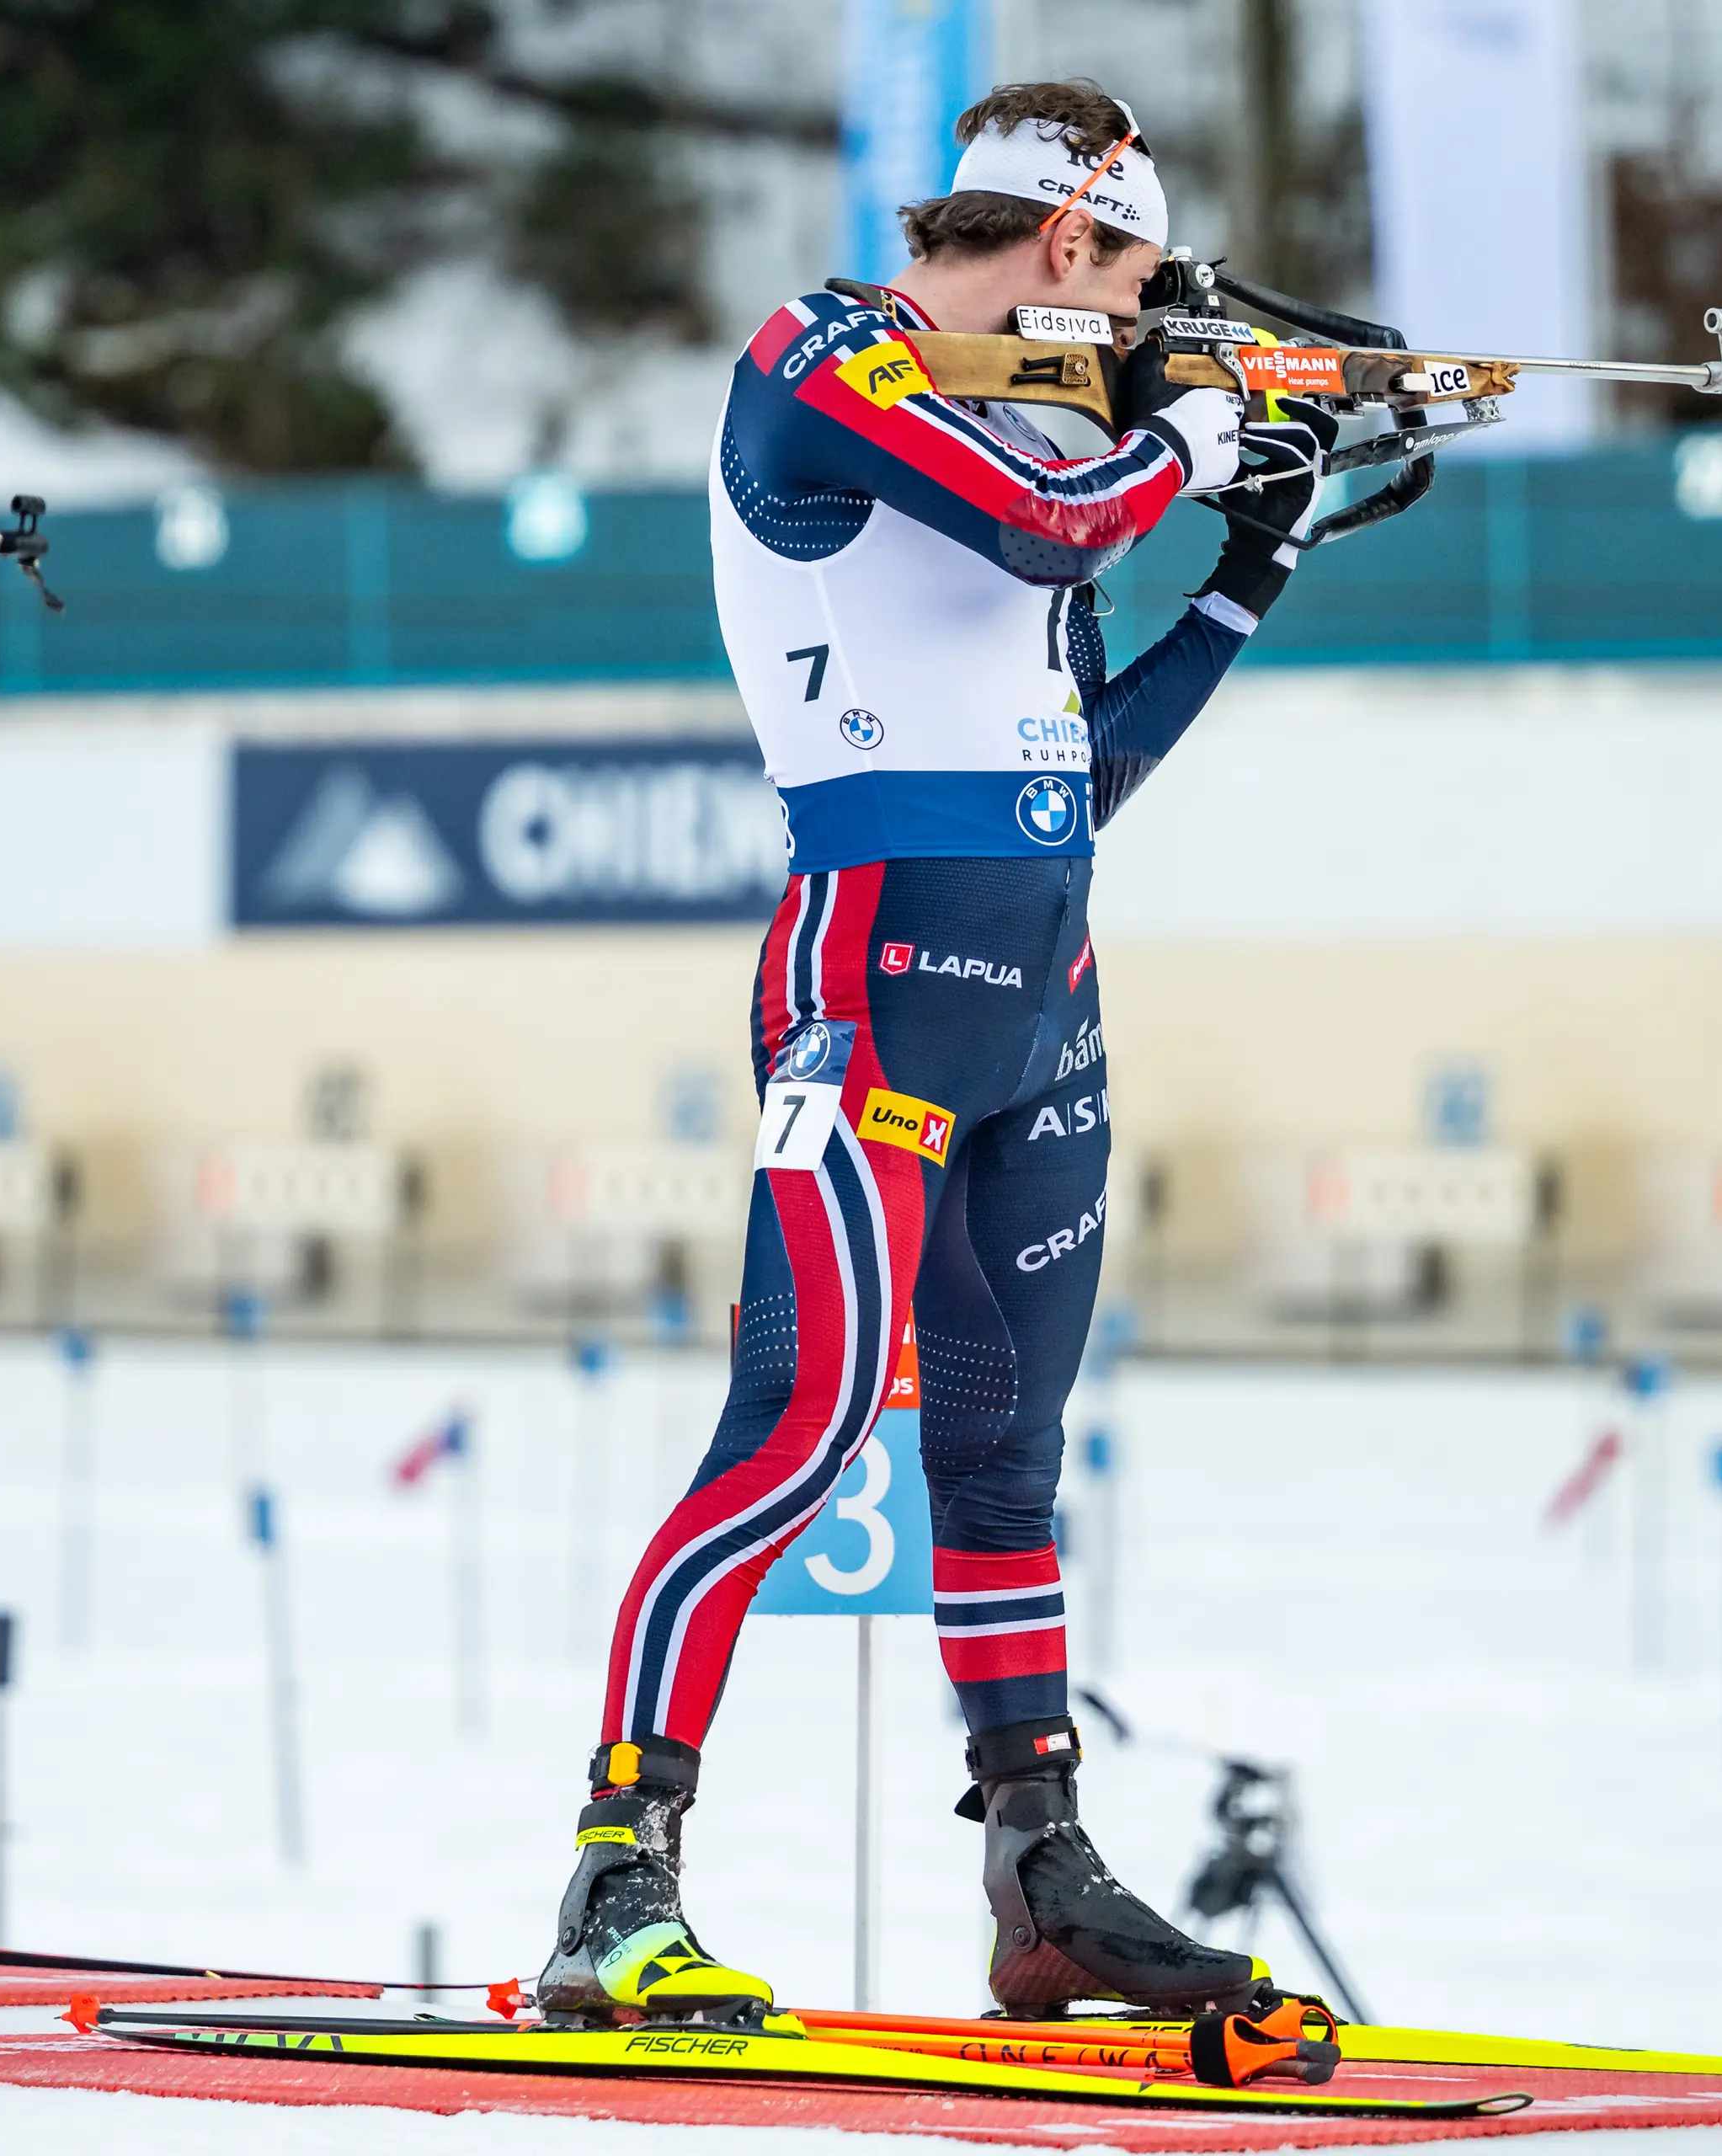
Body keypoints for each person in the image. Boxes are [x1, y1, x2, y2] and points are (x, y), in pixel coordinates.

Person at [536, 80, 1323, 2028]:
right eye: (1133, 283)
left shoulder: (1040, 427)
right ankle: (617, 1875)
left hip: (1043, 994)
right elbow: (1057, 527)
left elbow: (1077, 770)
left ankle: (1039, 1871)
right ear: (1062, 242)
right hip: (871, 979)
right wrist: (1194, 429)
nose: (1136, 323)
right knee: (798, 1425)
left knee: (1003, 1454)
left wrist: (1251, 565)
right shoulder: (824, 359)